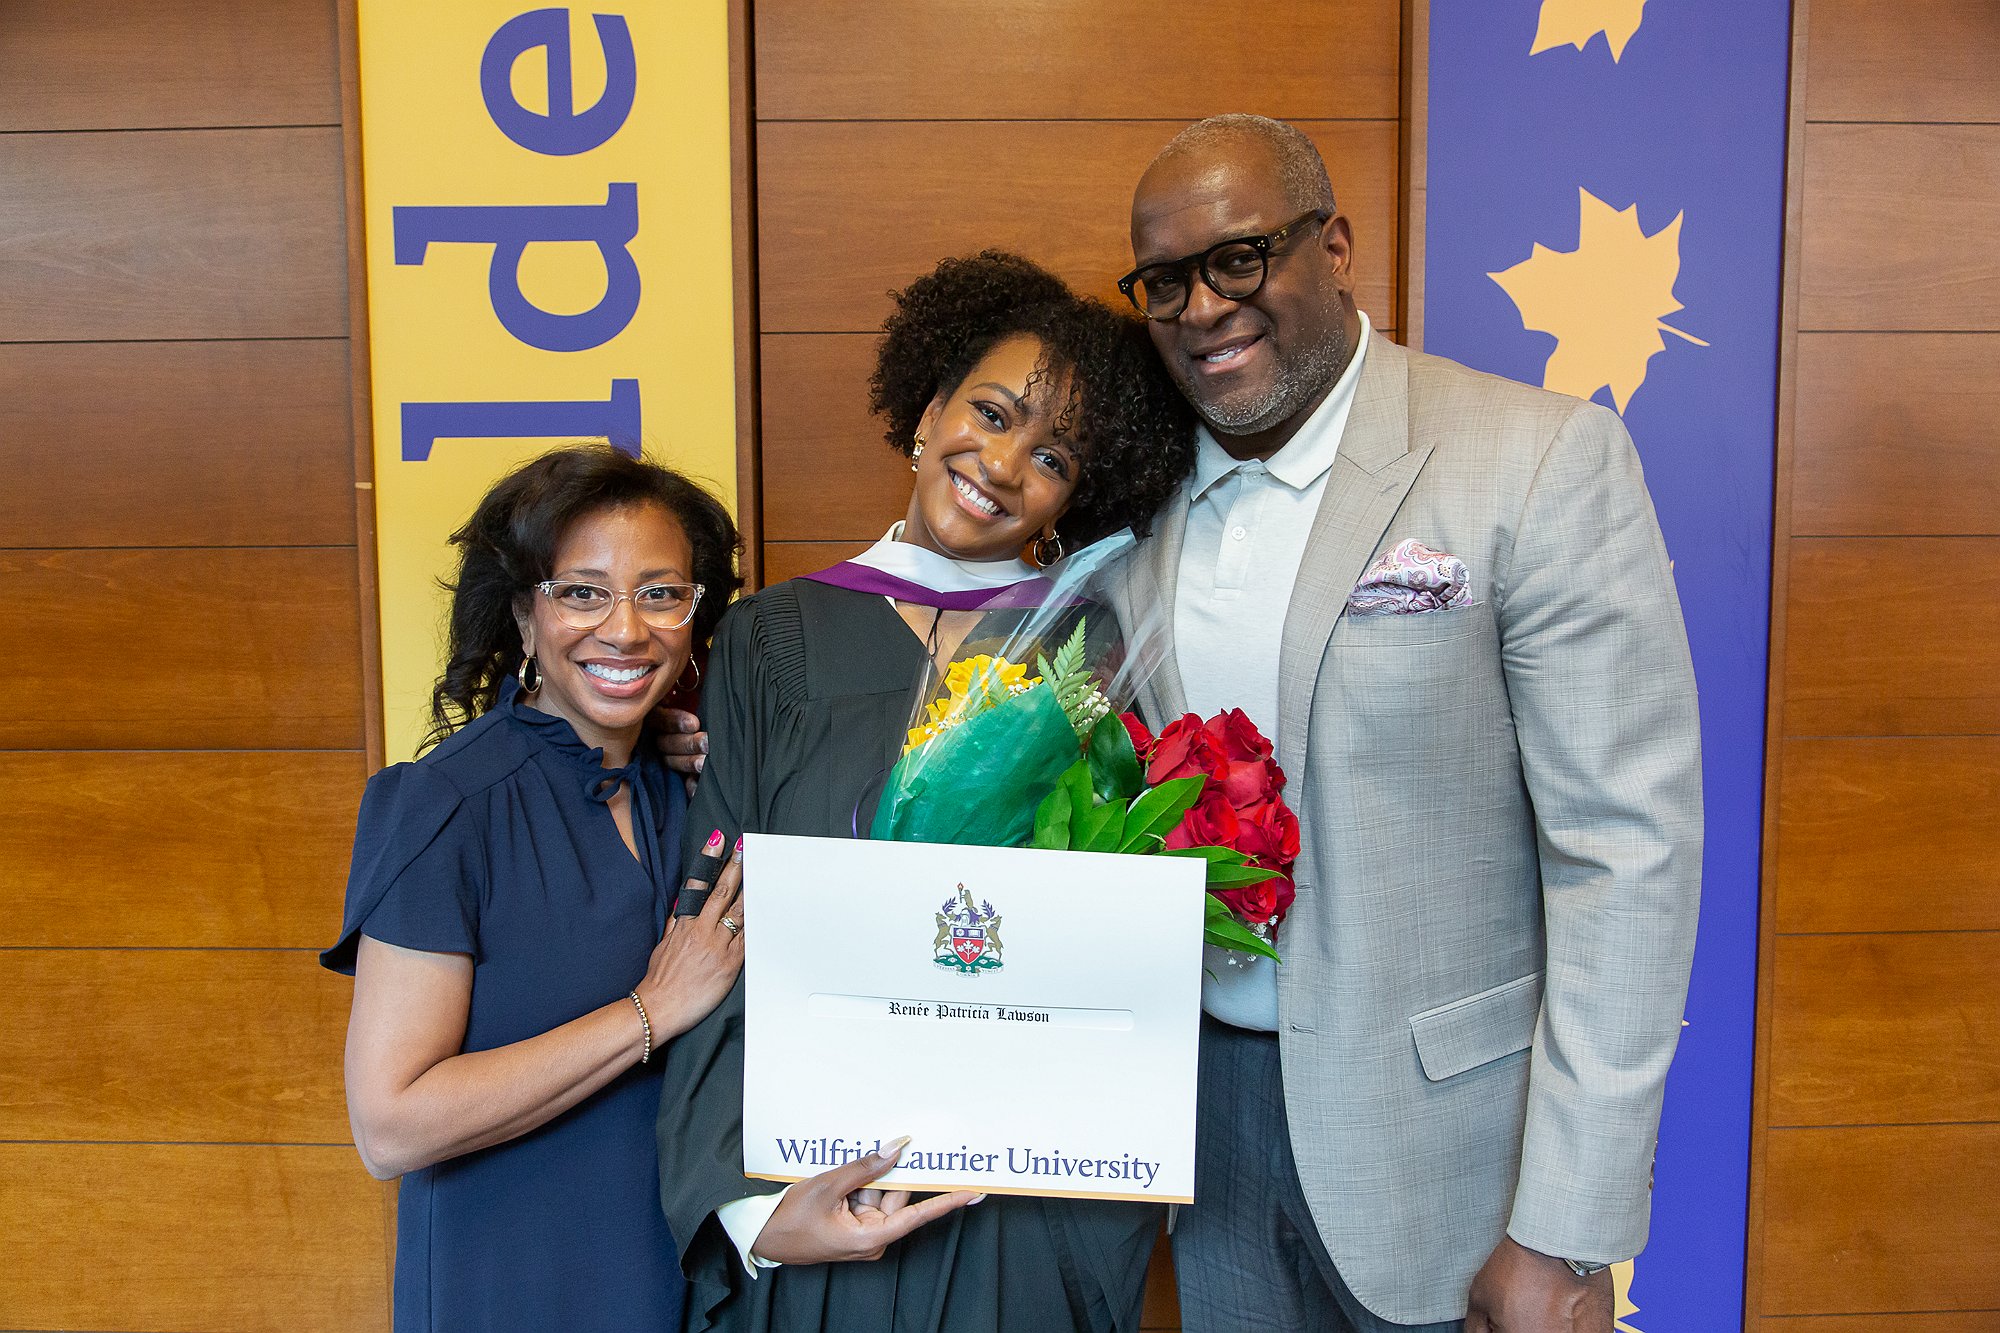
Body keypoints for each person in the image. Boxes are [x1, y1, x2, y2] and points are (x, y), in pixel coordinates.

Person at [1110, 115, 1702, 1333]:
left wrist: (1566, 1228)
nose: (1201, 307)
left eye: (1239, 258)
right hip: (1203, 1135)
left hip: (1453, 1158)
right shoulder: (1134, 495)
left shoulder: (1535, 461)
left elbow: (1623, 859)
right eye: (1164, 282)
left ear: (1333, 246)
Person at [654, 250, 1196, 1332]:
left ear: (1074, 494)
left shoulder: (1083, 647)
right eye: (988, 413)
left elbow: (1109, 908)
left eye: (1048, 455)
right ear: (927, 405)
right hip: (813, 1169)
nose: (1000, 463)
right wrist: (747, 1210)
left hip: (1020, 1194)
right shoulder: (774, 636)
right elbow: (712, 925)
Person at [322, 446, 748, 1332]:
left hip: (681, 1284)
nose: (627, 629)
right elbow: (390, 1123)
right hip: (512, 1283)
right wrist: (648, 1011)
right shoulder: (446, 803)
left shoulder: (696, 791)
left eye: (661, 593)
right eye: (582, 592)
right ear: (523, 613)